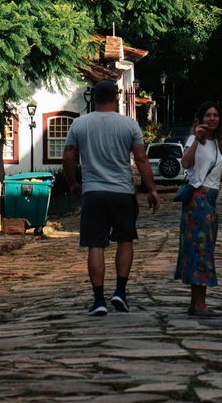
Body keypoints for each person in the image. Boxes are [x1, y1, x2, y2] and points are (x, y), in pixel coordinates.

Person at [62, 80, 160, 316]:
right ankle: (120, 292)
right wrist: (152, 189)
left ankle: (98, 300)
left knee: (95, 245)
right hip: (122, 192)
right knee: (125, 240)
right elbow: (141, 159)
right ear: (116, 98)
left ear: (94, 99)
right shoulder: (130, 125)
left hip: (93, 191)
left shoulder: (79, 124)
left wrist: (73, 184)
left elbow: (68, 158)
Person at [174, 100, 222, 316]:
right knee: (201, 251)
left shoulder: (215, 143)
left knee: (203, 250)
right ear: (200, 119)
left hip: (210, 199)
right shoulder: (196, 139)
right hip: (198, 201)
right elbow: (186, 163)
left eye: (216, 115)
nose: (212, 118)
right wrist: (196, 140)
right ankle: (200, 304)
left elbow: (208, 170)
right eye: (208, 115)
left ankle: (196, 303)